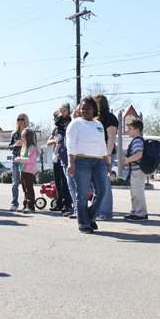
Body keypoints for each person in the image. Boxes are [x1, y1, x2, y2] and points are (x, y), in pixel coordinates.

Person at [66, 96, 110, 233]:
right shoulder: (75, 123)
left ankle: (90, 217)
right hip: (81, 161)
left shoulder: (98, 125)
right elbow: (70, 144)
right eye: (82, 108)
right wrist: (71, 162)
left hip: (99, 162)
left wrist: (107, 164)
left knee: (102, 191)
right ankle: (83, 224)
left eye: (88, 108)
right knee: (83, 194)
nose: (85, 111)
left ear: (94, 110)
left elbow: (102, 145)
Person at [93, 94, 118, 220]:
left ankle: (106, 212)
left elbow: (111, 137)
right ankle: (97, 210)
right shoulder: (94, 118)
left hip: (106, 154)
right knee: (96, 184)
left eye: (95, 102)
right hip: (94, 154)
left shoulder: (109, 118)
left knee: (104, 183)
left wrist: (107, 155)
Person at [48, 104, 73, 213]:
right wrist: (55, 140)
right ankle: (59, 203)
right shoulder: (56, 129)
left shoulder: (72, 123)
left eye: (65, 110)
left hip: (67, 156)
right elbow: (48, 142)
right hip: (57, 156)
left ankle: (67, 203)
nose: (63, 113)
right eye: (61, 111)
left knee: (65, 181)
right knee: (58, 181)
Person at [123, 118, 148, 221]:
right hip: (136, 171)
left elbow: (139, 154)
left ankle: (141, 213)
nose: (127, 131)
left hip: (137, 171)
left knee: (137, 192)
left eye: (130, 129)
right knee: (134, 192)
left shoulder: (137, 140)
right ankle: (135, 211)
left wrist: (128, 160)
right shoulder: (137, 140)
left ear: (137, 130)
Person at [14, 128, 39, 213]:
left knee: (29, 189)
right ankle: (25, 205)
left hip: (28, 171)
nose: (22, 139)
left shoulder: (32, 148)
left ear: (28, 137)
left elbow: (31, 160)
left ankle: (31, 206)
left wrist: (20, 159)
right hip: (23, 170)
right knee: (25, 189)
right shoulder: (24, 147)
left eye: (23, 137)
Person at [8, 114, 29, 211]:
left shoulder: (29, 132)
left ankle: (27, 204)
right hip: (16, 159)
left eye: (22, 119)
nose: (20, 121)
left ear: (26, 120)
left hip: (26, 160)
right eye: (18, 119)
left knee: (26, 183)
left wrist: (24, 143)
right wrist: (16, 145)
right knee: (15, 183)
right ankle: (14, 203)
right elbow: (10, 146)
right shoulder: (14, 133)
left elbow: (34, 144)